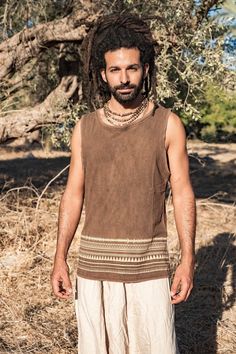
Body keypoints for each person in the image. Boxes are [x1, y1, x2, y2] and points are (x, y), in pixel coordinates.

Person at [51, 12, 196, 354]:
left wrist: (188, 260)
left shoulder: (168, 124)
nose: (124, 78)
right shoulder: (85, 128)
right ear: (102, 74)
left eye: (132, 67)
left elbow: (183, 193)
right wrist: (60, 257)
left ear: (145, 68)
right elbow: (73, 195)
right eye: (115, 70)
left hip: (149, 270)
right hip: (94, 271)